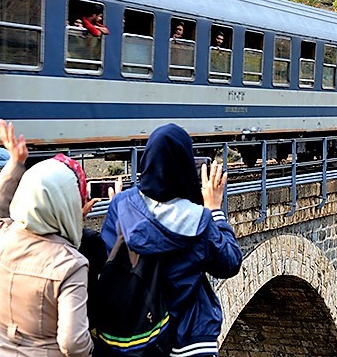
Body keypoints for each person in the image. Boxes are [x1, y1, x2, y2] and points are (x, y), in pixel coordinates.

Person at [99, 123, 242, 357]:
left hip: (139, 337)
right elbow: (229, 263)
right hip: (190, 341)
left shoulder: (121, 205)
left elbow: (108, 260)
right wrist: (215, 209)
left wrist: (122, 211)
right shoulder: (201, 220)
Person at [0, 120, 94, 356]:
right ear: (68, 202)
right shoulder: (71, 265)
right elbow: (73, 342)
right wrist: (91, 349)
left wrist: (16, 163)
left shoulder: (2, 236)